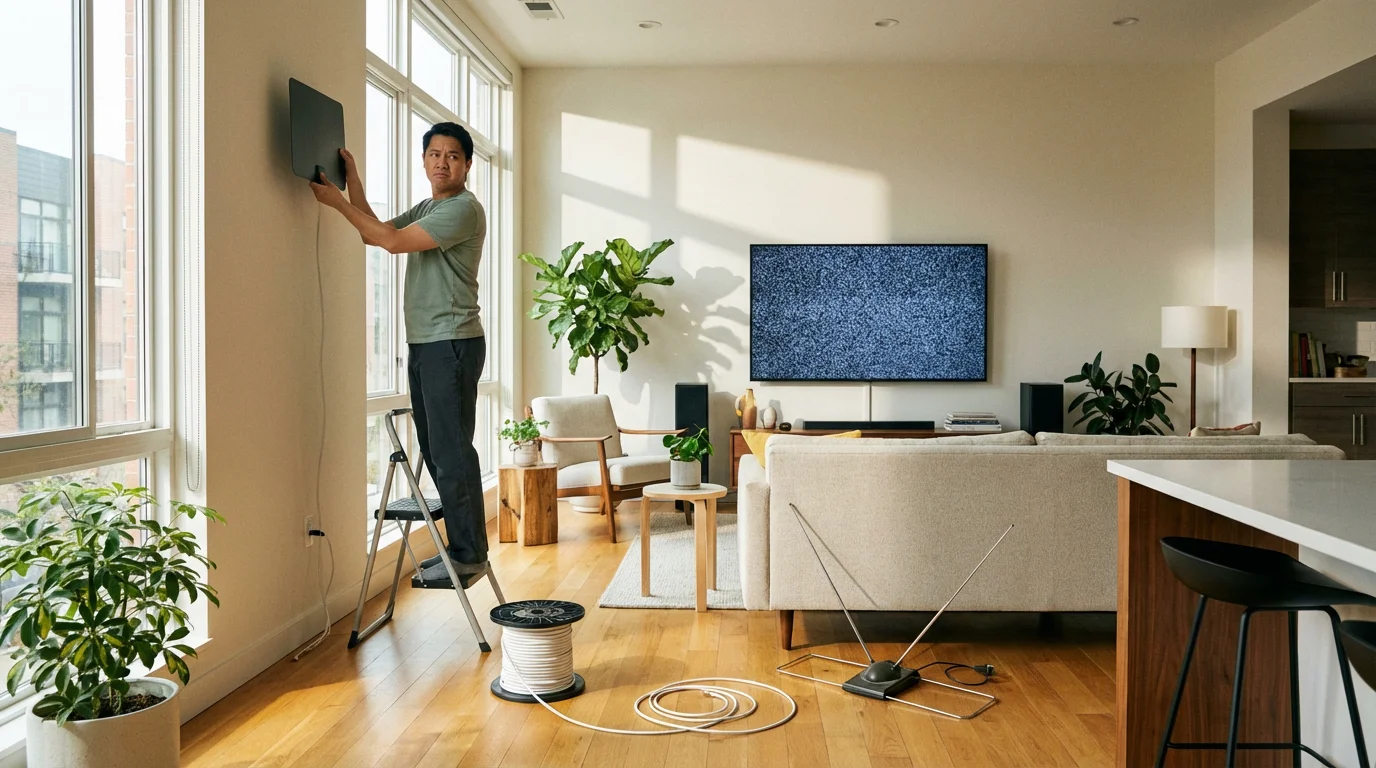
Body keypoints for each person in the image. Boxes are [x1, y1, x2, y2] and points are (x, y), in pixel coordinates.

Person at [311, 122, 488, 576]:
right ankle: (462, 546)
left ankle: (469, 553)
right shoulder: (431, 206)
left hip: (450, 340)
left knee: (450, 449)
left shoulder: (463, 209)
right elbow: (375, 230)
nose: (442, 162)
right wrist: (352, 186)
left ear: (467, 164)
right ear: (424, 160)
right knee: (434, 446)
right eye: (434, 154)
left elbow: (389, 244)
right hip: (428, 341)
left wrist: (334, 202)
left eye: (452, 155)